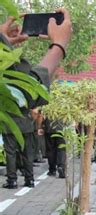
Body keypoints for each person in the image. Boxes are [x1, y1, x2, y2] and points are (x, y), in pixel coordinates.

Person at [0, 8, 72, 188]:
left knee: (12, 152)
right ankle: (29, 179)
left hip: (12, 125)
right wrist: (59, 46)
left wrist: (4, 43)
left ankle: (12, 180)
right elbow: (26, 90)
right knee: (27, 152)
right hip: (25, 125)